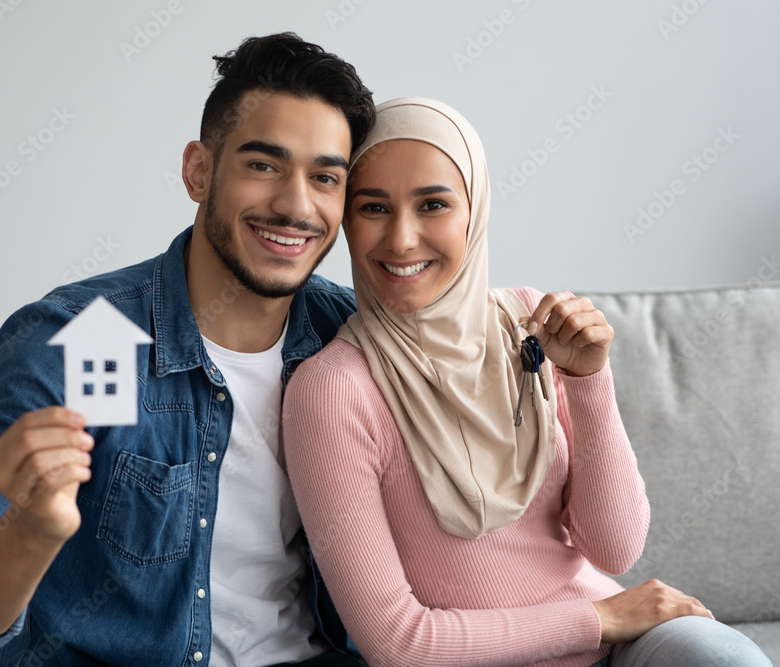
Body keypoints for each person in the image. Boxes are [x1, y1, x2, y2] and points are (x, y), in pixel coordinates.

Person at [0, 33, 374, 666]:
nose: (295, 205)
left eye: (324, 178)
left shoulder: (349, 333)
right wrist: (32, 529)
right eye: (263, 165)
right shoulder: (95, 339)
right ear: (198, 171)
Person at [282, 97, 773, 666]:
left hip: (618, 648)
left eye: (434, 204)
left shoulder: (529, 321)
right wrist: (601, 619)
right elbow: (398, 644)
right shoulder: (333, 391)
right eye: (373, 208)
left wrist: (587, 379)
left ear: (476, 210)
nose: (402, 240)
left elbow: (614, 546)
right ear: (345, 219)